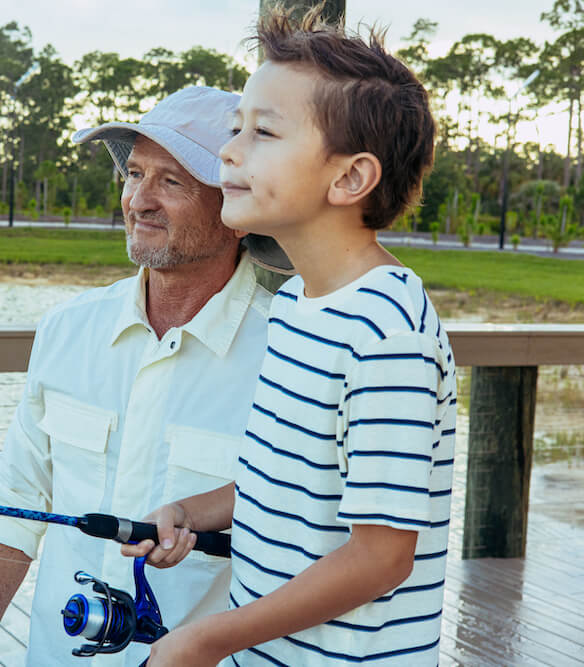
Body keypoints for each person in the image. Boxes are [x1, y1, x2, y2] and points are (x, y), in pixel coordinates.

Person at [123, 8, 458, 666]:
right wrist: (196, 510)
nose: (228, 152)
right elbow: (286, 479)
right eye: (235, 128)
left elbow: (381, 557)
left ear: (350, 178)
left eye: (264, 132)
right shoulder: (299, 301)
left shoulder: (387, 332)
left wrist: (210, 636)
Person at [0, 86, 293, 667]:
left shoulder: (291, 357)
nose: (140, 200)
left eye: (173, 181)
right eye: (134, 174)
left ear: (238, 210)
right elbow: (11, 504)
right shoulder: (66, 329)